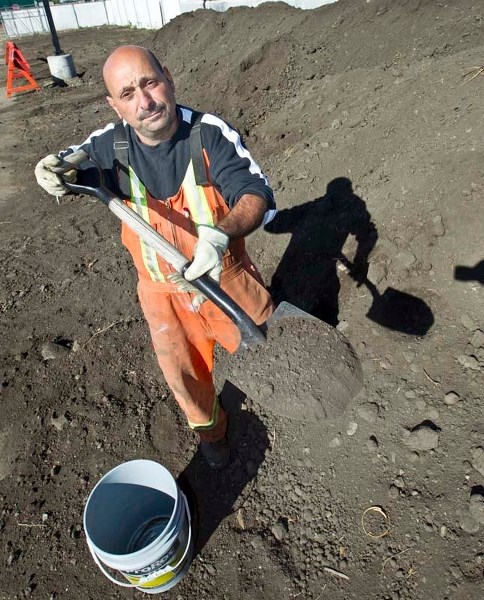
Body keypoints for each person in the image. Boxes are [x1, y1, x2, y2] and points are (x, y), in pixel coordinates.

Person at [35, 45, 275, 469]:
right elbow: (72, 161)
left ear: (168, 77)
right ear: (115, 105)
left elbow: (256, 194)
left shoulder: (209, 134)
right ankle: (213, 435)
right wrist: (54, 169)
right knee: (185, 381)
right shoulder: (110, 146)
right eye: (127, 94)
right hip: (162, 296)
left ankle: (280, 400)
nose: (144, 101)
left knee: (271, 352)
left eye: (149, 82)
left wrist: (220, 235)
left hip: (226, 278)